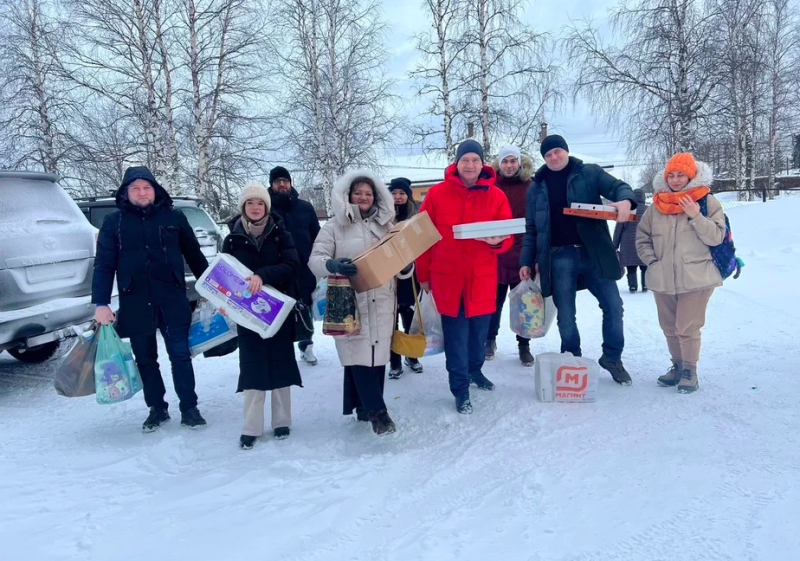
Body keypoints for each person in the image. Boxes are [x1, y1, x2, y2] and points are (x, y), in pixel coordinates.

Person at [92, 166, 209, 432]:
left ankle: (189, 408)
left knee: (180, 355)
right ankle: (157, 408)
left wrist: (214, 289)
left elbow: (195, 256)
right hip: (135, 301)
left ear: (155, 190)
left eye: (146, 187)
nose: (142, 193)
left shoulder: (174, 217)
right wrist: (101, 303)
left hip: (172, 298)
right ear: (126, 193)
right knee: (145, 358)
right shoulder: (114, 222)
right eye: (135, 188)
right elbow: (104, 264)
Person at [519, 135, 637, 385]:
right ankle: (573, 359)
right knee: (566, 315)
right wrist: (525, 261)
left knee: (614, 306)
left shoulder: (589, 173)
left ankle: (612, 357)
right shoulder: (537, 186)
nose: (553, 157)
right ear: (544, 158)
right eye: (548, 154)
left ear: (567, 151)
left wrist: (626, 200)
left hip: (593, 252)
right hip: (559, 256)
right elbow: (531, 228)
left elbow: (618, 187)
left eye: (557, 151)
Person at [416, 140, 513, 414]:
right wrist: (423, 276)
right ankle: (459, 388)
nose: (470, 165)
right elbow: (422, 239)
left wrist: (496, 242)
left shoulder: (496, 196)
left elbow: (506, 237)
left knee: (479, 334)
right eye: (465, 160)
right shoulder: (437, 194)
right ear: (456, 164)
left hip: (481, 278)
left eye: (475, 160)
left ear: (482, 164)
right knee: (456, 337)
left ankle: (475, 371)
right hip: (448, 278)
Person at [308, 171, 399, 436]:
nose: (363, 197)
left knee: (378, 357)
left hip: (382, 299)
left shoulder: (386, 225)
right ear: (348, 196)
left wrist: (406, 265)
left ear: (377, 197)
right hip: (350, 301)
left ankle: (363, 406)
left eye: (368, 193)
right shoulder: (334, 226)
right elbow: (315, 260)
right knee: (358, 356)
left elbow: (399, 260)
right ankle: (378, 413)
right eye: (358, 192)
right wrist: (331, 265)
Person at [220, 181, 303, 449]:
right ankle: (251, 427)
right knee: (252, 367)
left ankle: (282, 422)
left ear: (266, 206)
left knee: (280, 363)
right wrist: (223, 300)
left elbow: (292, 264)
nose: (255, 208)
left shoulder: (280, 232)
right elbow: (224, 274)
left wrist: (262, 276)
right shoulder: (232, 238)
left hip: (275, 309)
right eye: (250, 203)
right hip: (246, 314)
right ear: (243, 207)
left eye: (260, 203)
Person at [636, 153, 725, 393]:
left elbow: (716, 237)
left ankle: (689, 370)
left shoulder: (707, 201)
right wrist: (652, 261)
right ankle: (676, 366)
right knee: (669, 327)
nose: (675, 180)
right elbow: (642, 237)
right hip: (662, 276)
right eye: (671, 175)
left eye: (681, 174)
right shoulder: (657, 205)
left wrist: (696, 215)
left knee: (687, 327)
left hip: (697, 277)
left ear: (691, 175)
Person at [485, 146, 536, 366]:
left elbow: (537, 221)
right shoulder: (490, 185)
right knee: (492, 303)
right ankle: (489, 340)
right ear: (499, 163)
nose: (508, 165)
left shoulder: (531, 186)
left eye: (512, 161)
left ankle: (524, 345)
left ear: (519, 163)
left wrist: (534, 256)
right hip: (494, 252)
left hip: (522, 253)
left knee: (524, 302)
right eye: (504, 161)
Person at [267, 166, 321, 365]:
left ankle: (307, 346)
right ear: (271, 184)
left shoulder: (305, 207)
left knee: (304, 307)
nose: (282, 184)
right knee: (279, 310)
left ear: (290, 183)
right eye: (277, 181)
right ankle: (281, 351)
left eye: (285, 180)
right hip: (277, 270)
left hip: (304, 268)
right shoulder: (265, 208)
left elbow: (317, 238)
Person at [388, 177, 424, 379]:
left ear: (408, 195)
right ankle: (394, 360)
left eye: (401, 193)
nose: (398, 197)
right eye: (394, 193)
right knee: (391, 319)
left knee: (409, 316)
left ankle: (411, 356)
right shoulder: (382, 216)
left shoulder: (417, 215)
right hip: (388, 274)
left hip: (411, 275)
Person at [614, 188, 649, 293]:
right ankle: (645, 285)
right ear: (643, 197)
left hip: (628, 244)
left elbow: (618, 230)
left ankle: (632, 286)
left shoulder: (628, 210)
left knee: (631, 267)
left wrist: (614, 245)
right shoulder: (649, 210)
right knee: (645, 266)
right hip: (645, 243)